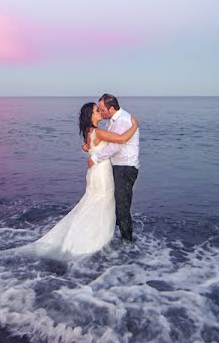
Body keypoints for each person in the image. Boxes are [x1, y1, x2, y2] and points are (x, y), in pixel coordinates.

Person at [20, 102, 138, 258]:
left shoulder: (88, 132)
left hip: (95, 172)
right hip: (102, 173)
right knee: (101, 203)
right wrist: (134, 126)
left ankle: (93, 235)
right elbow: (122, 140)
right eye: (97, 111)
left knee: (95, 202)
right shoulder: (99, 132)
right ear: (90, 116)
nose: (100, 113)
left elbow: (92, 148)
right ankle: (91, 240)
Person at [87, 93, 139, 242]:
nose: (101, 113)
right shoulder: (111, 121)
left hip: (125, 168)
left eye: (102, 109)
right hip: (117, 167)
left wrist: (95, 158)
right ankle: (113, 233)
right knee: (115, 202)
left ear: (111, 108)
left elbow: (116, 145)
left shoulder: (122, 120)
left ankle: (127, 242)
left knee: (122, 205)